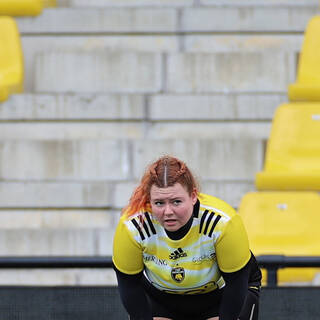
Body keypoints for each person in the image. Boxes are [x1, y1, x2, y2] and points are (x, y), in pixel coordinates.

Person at [112, 155, 262, 320]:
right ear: (150, 200)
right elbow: (129, 285)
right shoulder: (133, 225)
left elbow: (235, 285)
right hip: (161, 297)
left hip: (222, 294)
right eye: (159, 203)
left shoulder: (223, 222)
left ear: (193, 196)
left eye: (176, 202)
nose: (168, 212)